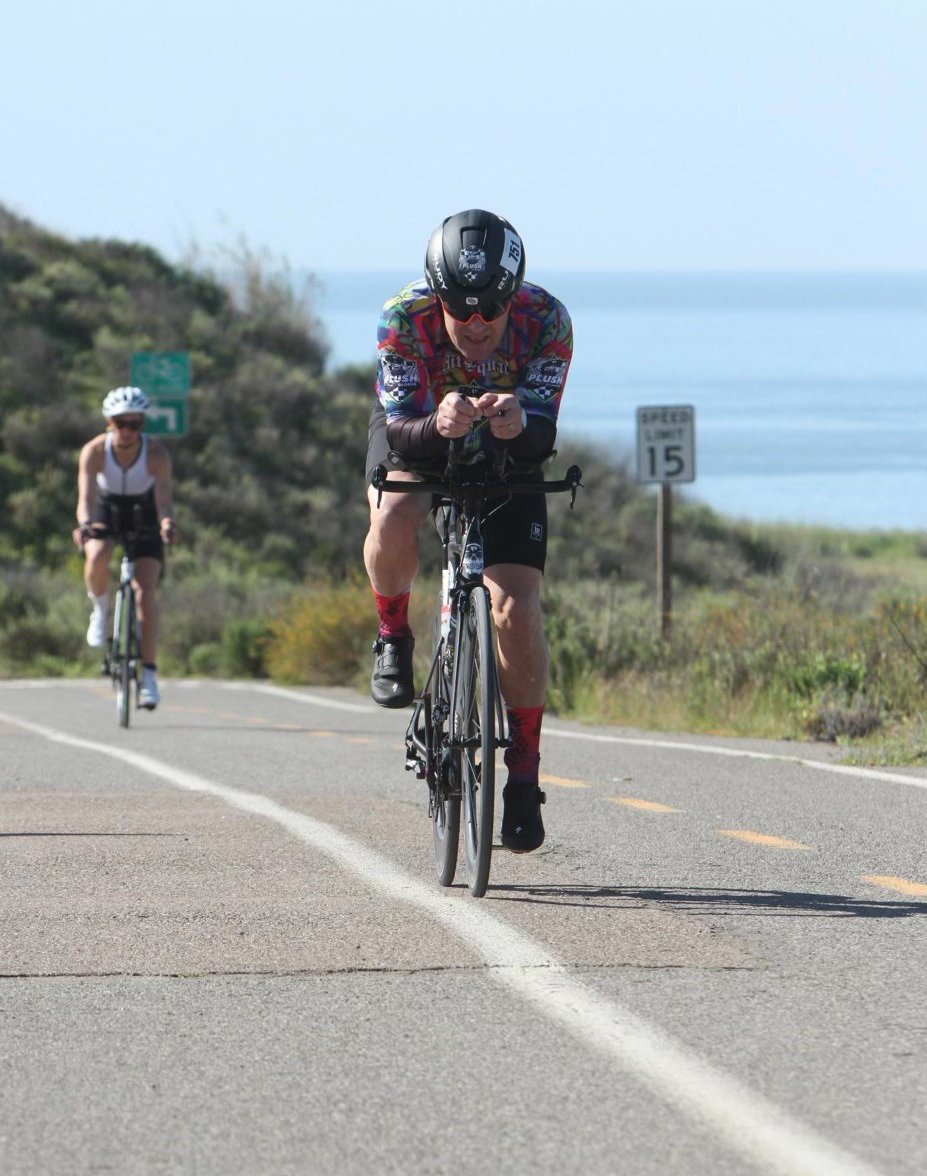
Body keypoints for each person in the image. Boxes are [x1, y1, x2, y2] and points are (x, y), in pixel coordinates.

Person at [363, 209, 573, 853]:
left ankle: (524, 773)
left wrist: (516, 422)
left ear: (514, 297)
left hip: (510, 458)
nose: (477, 325)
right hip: (421, 438)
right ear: (437, 296)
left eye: (491, 311)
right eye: (461, 310)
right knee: (395, 510)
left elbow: (544, 432)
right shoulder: (404, 320)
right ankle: (393, 634)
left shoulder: (547, 321)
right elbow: (399, 430)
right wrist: (438, 423)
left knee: (515, 608)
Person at [73, 387, 175, 709]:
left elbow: (164, 501)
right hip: (107, 508)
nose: (128, 431)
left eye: (135, 424)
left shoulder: (156, 454)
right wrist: (86, 526)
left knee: (145, 593)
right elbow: (86, 500)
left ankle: (148, 676)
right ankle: (101, 609)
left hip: (144, 512)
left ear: (142, 424)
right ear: (109, 422)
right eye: (121, 423)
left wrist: (167, 523)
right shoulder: (95, 452)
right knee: (97, 556)